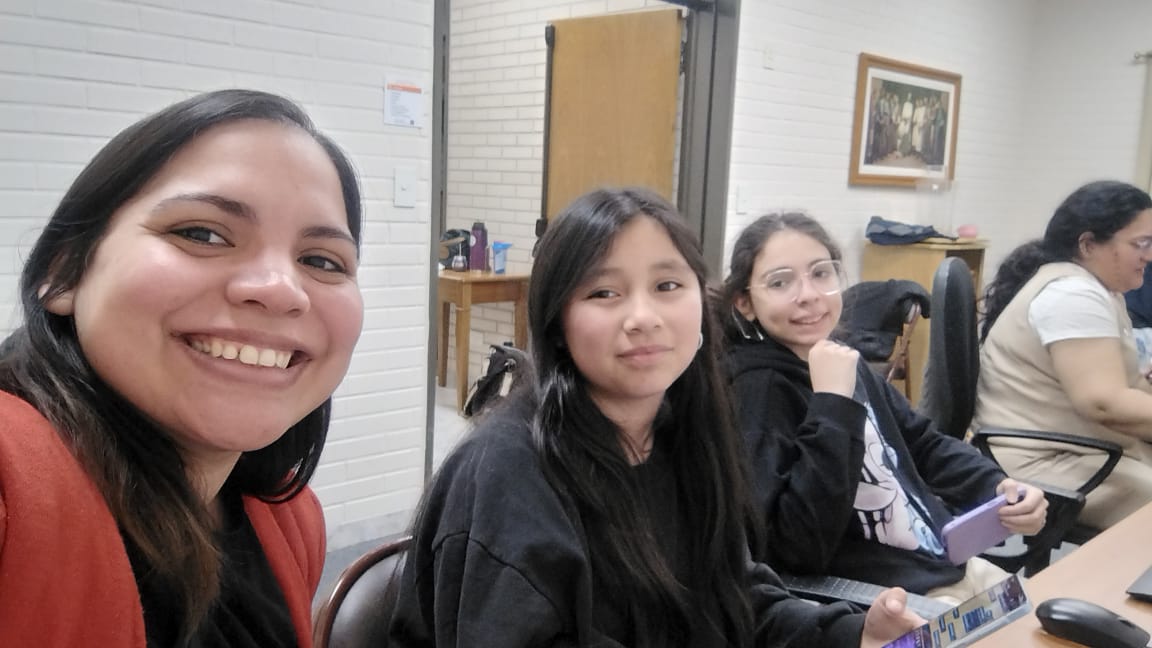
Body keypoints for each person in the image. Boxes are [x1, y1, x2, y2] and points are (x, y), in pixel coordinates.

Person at [388, 188, 922, 647]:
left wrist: (850, 635)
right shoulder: (510, 474)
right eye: (604, 292)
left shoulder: (679, 432)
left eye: (668, 286)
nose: (643, 317)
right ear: (556, 322)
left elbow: (732, 597)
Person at [0, 89, 365, 647]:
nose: (279, 290)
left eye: (321, 260)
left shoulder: (289, 519)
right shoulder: (13, 489)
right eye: (201, 234)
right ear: (64, 272)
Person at [720, 212, 1046, 605]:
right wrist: (833, 405)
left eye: (821, 273)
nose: (808, 294)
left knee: (1056, 614)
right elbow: (797, 546)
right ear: (745, 302)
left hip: (940, 561)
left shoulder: (844, 359)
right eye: (779, 282)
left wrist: (995, 486)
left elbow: (922, 444)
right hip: (884, 596)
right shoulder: (758, 391)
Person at [977, 180, 1152, 530]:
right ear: (1088, 244)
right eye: (1141, 244)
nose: (1149, 256)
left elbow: (1118, 388)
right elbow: (1103, 403)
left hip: (1081, 451)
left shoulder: (1099, 290)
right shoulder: (1073, 295)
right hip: (1044, 461)